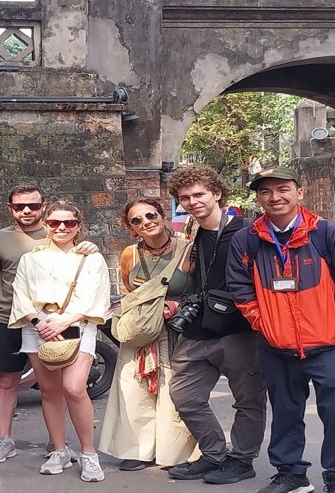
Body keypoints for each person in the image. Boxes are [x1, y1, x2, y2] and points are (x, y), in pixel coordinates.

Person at [226, 166, 335, 493]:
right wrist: (264, 324)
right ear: (258, 198)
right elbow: (239, 287)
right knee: (286, 412)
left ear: (299, 192)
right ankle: (290, 473)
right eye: (266, 191)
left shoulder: (327, 233)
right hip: (277, 346)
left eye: (283, 189)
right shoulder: (247, 240)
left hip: (331, 344)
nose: (275, 197)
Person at [163, 165, 268, 486]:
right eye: (185, 198)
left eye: (199, 195)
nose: (193, 202)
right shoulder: (194, 235)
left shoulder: (247, 231)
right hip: (199, 329)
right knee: (184, 397)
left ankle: (242, 460)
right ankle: (214, 454)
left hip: (240, 332)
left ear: (217, 193)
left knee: (248, 400)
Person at [0, 184, 97, 464]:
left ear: (43, 207)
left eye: (33, 205)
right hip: (7, 317)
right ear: (10, 209)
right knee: (6, 381)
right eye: (19, 206)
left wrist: (88, 246)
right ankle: (4, 440)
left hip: (54, 321)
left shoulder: (58, 234)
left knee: (63, 386)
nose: (26, 211)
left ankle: (57, 444)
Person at [8, 201, 110, 483]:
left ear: (78, 226)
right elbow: (21, 294)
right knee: (50, 391)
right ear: (46, 225)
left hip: (78, 324)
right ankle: (59, 448)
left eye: (68, 223)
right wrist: (39, 323)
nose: (61, 228)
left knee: (74, 388)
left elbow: (97, 296)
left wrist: (65, 321)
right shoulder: (32, 258)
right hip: (38, 326)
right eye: (54, 223)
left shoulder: (90, 258)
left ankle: (89, 452)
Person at [98, 198, 198, 471]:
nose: (146, 222)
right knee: (133, 388)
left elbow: (200, 289)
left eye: (151, 215)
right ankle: (136, 450)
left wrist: (177, 306)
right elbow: (130, 292)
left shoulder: (187, 249)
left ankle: (173, 452)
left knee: (172, 390)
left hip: (176, 329)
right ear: (131, 228)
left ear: (163, 216)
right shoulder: (130, 254)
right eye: (137, 220)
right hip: (141, 332)